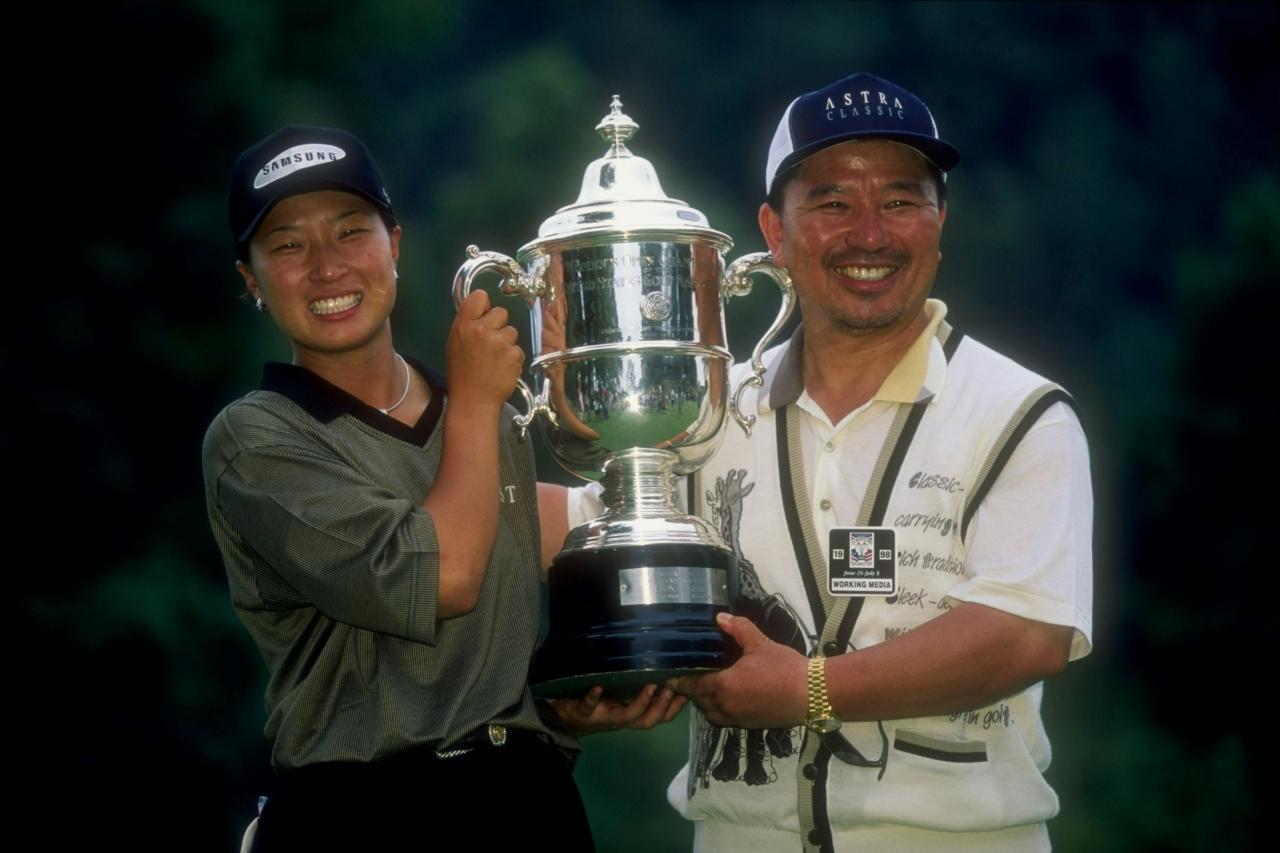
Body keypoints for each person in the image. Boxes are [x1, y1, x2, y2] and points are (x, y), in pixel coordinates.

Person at [545, 72, 1093, 851]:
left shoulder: (1020, 411)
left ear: (942, 221)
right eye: (833, 202)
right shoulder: (707, 409)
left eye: (902, 200)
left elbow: (1024, 633)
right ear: (774, 229)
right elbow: (577, 532)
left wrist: (805, 689)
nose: (870, 233)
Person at [204, 125, 678, 852]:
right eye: (289, 245)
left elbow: (496, 633)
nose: (328, 267)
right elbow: (446, 577)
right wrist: (482, 406)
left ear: (395, 242)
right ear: (251, 279)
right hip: (363, 812)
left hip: (527, 802)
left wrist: (558, 707)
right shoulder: (257, 439)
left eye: (351, 231)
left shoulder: (487, 412)